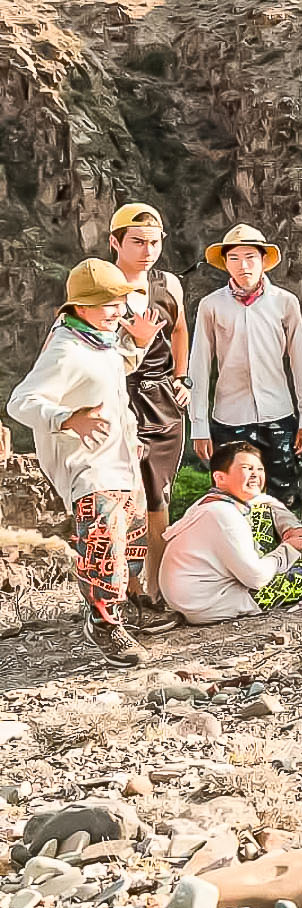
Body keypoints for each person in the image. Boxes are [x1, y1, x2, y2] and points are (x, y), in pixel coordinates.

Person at [9, 259, 165, 663]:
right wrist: (66, 419)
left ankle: (120, 608)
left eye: (119, 302)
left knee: (130, 538)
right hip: (87, 463)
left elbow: (111, 370)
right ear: (80, 306)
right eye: (107, 304)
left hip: (118, 455)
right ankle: (103, 623)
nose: (117, 311)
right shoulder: (66, 348)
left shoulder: (100, 338)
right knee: (103, 538)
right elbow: (20, 401)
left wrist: (138, 344)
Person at [188, 223, 302, 511]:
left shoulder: (284, 302)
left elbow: (300, 360)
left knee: (285, 494)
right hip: (230, 414)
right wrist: (199, 425)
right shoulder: (211, 305)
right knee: (232, 496)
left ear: (263, 260)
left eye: (250, 257)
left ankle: (289, 540)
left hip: (278, 412)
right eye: (234, 258)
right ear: (225, 263)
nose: (243, 265)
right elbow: (199, 365)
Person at [107, 203, 189, 611]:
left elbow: (180, 330)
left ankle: (155, 589)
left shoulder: (168, 284)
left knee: (159, 499)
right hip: (118, 396)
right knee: (118, 498)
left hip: (162, 402)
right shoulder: (101, 286)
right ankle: (119, 589)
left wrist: (182, 377)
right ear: (115, 242)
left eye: (154, 242)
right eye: (137, 242)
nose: (147, 251)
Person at [159, 441, 302, 625]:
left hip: (189, 598)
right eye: (247, 468)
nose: (256, 475)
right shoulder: (225, 515)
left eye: (259, 469)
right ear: (220, 478)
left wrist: (290, 527)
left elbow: (266, 502)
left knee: (262, 511)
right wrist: (288, 550)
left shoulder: (209, 503)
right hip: (210, 604)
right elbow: (257, 578)